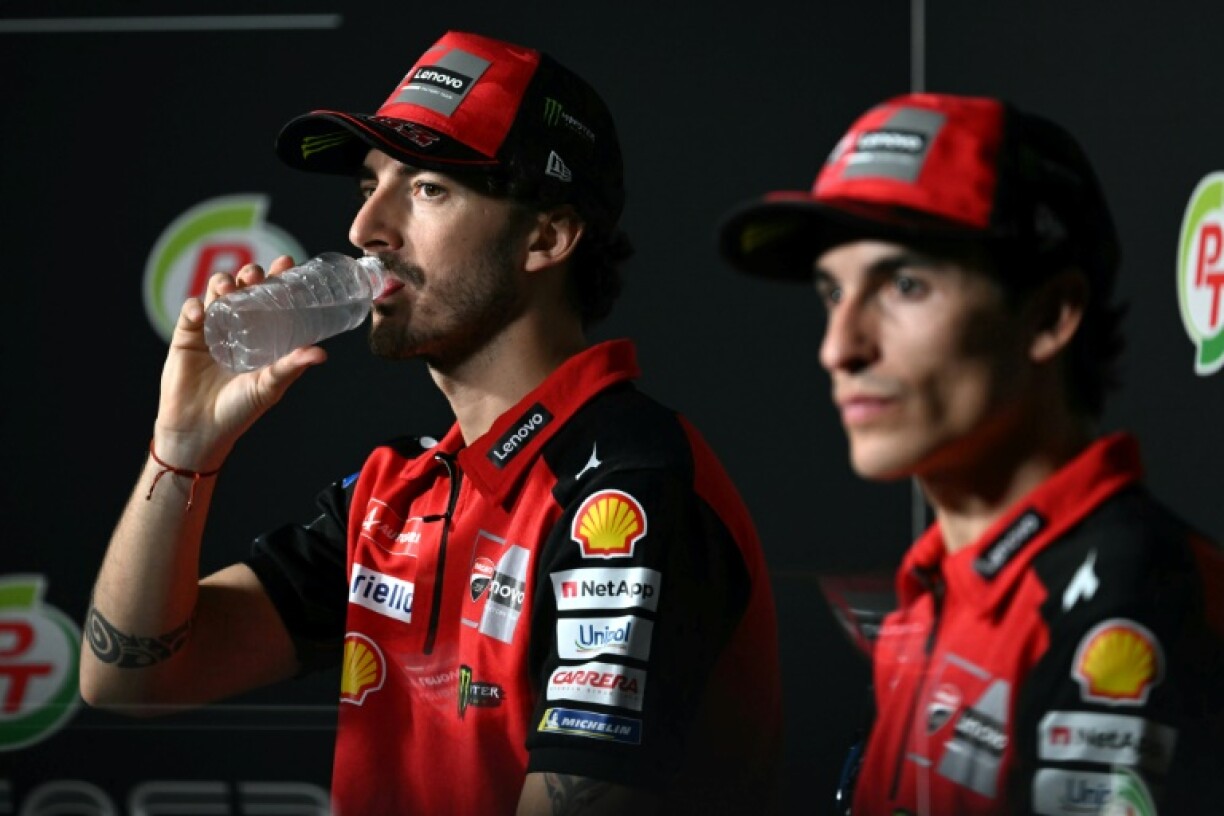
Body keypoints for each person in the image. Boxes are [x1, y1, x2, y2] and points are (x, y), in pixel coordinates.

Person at [80, 30, 783, 815]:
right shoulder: (397, 490)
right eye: (368, 186)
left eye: (427, 189)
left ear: (546, 237)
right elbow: (130, 676)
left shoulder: (626, 490)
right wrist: (182, 450)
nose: (365, 230)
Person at [717, 92, 1224, 815]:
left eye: (904, 285)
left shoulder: (1133, 601)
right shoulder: (941, 586)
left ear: (1049, 315)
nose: (839, 348)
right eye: (833, 292)